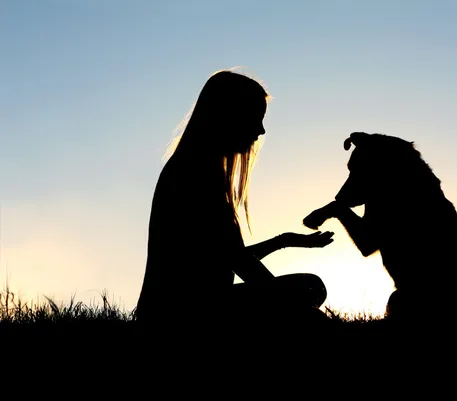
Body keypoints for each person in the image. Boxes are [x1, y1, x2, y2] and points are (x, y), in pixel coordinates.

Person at [135, 69, 333, 333]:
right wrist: (281, 302)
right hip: (180, 315)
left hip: (184, 307)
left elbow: (225, 255)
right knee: (310, 301)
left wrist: (284, 241)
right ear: (230, 115)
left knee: (310, 286)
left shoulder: (197, 166)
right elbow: (239, 262)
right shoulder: (194, 171)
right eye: (256, 118)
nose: (261, 130)